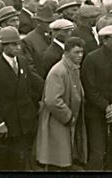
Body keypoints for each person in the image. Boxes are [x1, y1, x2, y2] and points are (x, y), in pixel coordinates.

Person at [0, 26, 44, 171]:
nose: (18, 47)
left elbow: (34, 85)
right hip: (7, 124)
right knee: (6, 163)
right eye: (13, 44)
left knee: (22, 161)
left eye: (18, 43)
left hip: (25, 122)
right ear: (3, 46)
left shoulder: (22, 62)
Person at [82, 25, 112, 170]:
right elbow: (90, 89)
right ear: (104, 41)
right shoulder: (91, 59)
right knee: (98, 150)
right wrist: (107, 107)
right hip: (96, 112)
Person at [35, 36, 89, 170]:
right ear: (66, 52)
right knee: (57, 160)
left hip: (66, 123)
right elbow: (52, 100)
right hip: (57, 123)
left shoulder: (73, 68)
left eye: (82, 52)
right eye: (76, 52)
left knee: (63, 159)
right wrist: (69, 117)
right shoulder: (58, 72)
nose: (80, 55)